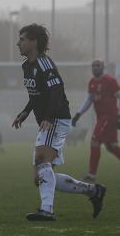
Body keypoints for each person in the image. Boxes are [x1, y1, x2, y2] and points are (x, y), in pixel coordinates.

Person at [11, 24, 106, 221]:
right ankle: (93, 190)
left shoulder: (44, 63)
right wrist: (25, 112)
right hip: (49, 120)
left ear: (33, 42)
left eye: (22, 39)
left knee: (40, 162)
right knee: (42, 175)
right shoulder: (26, 66)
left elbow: (56, 91)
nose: (18, 43)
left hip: (56, 118)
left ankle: (47, 210)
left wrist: (48, 117)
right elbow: (36, 95)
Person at [72, 59, 120, 182]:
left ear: (103, 67)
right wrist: (79, 114)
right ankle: (91, 174)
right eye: (93, 66)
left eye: (98, 65)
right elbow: (89, 100)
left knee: (94, 141)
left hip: (109, 116)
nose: (95, 67)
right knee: (111, 146)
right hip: (102, 118)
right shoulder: (92, 82)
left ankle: (91, 175)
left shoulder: (110, 81)